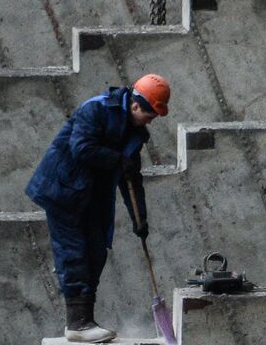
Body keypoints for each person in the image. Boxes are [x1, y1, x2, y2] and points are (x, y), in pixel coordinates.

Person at [25, 74, 171, 342]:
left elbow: (132, 178)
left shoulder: (135, 133)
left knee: (95, 251)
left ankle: (84, 320)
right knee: (74, 253)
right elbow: (81, 148)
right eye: (150, 114)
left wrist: (140, 219)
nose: (151, 121)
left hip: (91, 197)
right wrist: (118, 159)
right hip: (63, 190)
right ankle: (78, 323)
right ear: (136, 106)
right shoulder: (96, 109)